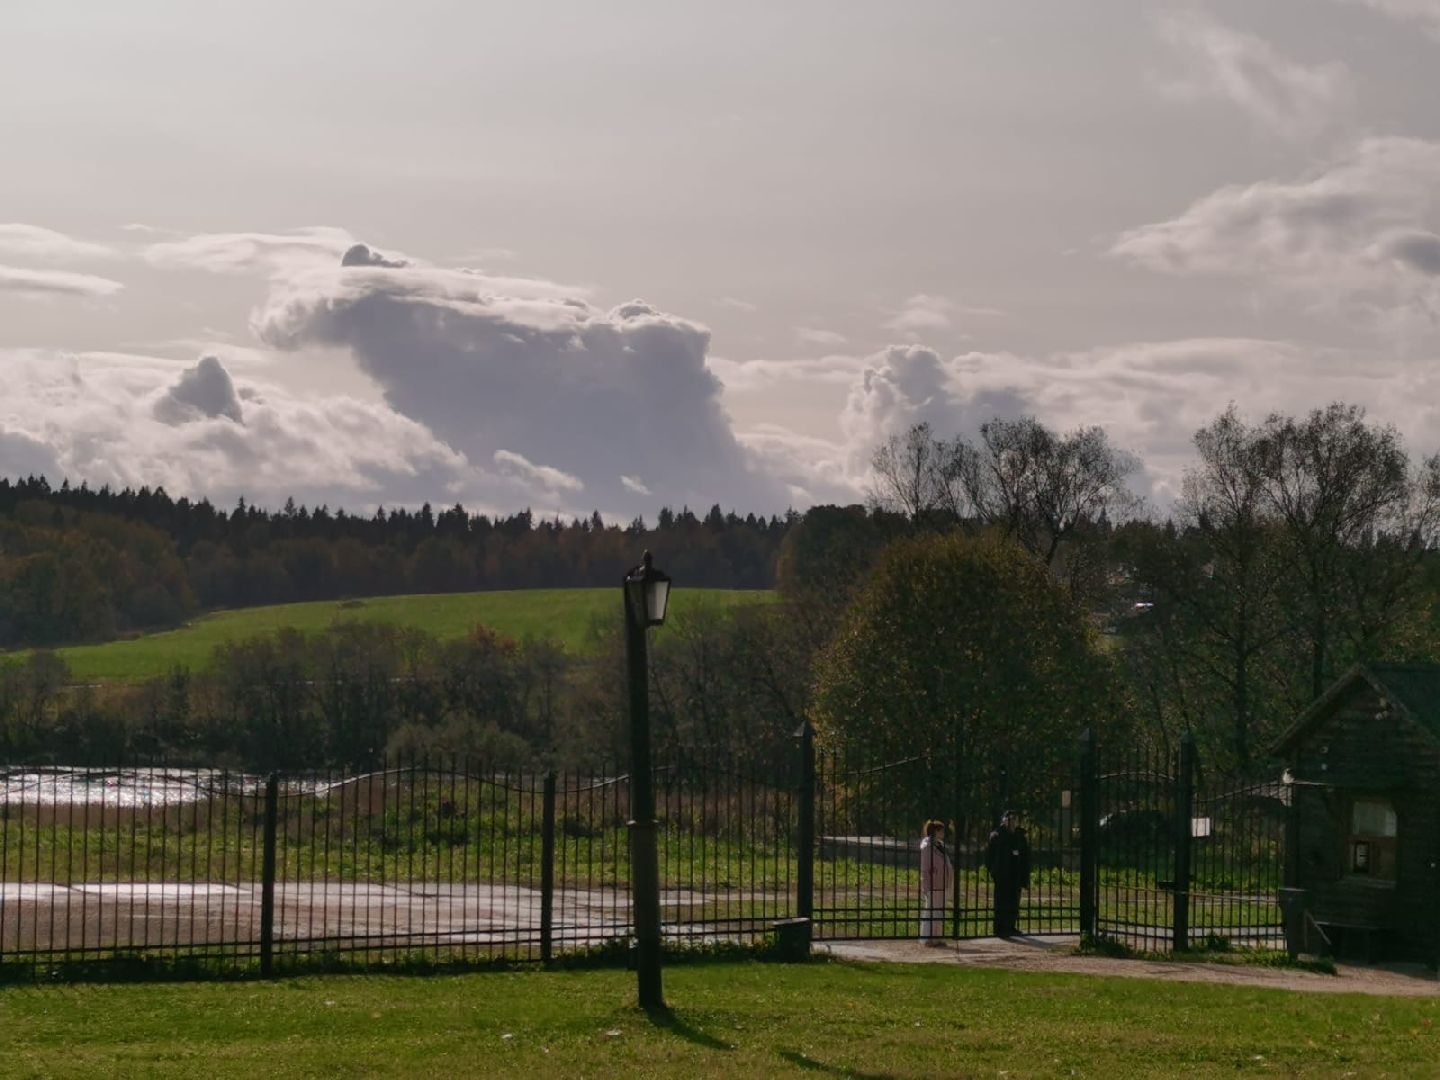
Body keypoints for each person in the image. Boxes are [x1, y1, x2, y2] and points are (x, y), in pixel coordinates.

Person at [984, 810, 1030, 938]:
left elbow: (1026, 856)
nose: (1012, 822)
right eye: (1009, 819)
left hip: (1016, 874)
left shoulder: (1020, 836)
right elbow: (989, 856)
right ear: (1003, 820)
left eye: (1015, 819)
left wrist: (1024, 875)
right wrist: (994, 871)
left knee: (1014, 901)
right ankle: (999, 928)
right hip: (1002, 874)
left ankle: (1010, 926)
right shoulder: (997, 835)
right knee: (1001, 901)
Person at [919, 818, 953, 946]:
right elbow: (925, 868)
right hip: (933, 884)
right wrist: (926, 886)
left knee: (939, 911)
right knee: (931, 911)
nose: (943, 834)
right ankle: (927, 938)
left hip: (942, 883)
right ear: (936, 831)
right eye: (942, 831)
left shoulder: (939, 845)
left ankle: (937, 937)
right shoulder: (927, 847)